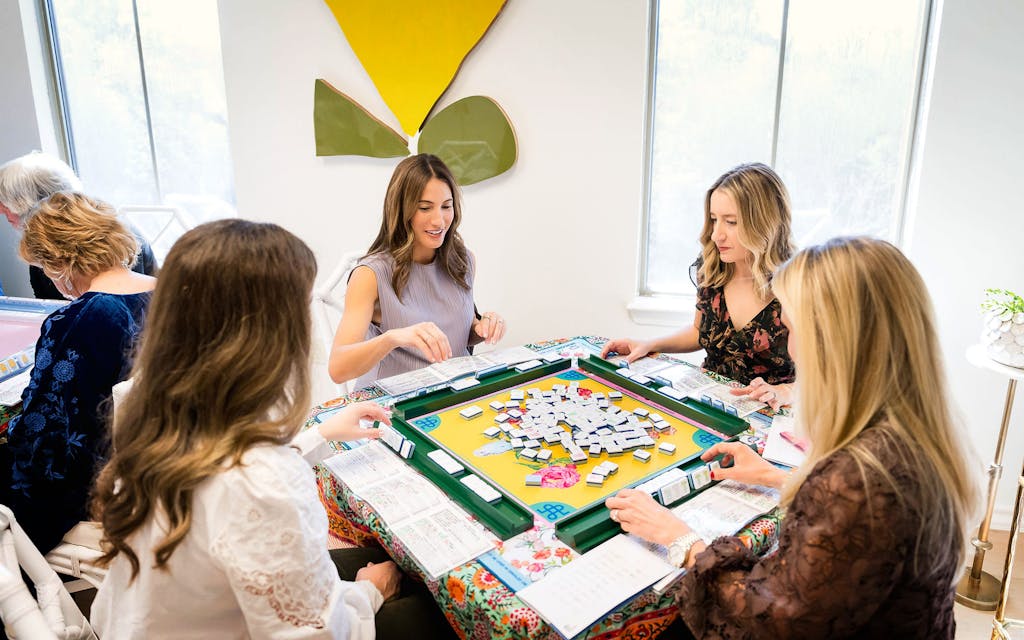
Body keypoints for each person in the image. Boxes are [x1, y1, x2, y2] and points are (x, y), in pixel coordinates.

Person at [91, 219, 455, 639]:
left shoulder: (157, 416)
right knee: (430, 610)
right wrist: (369, 594)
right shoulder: (266, 483)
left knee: (371, 561)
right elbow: (319, 635)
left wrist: (320, 435)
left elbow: (227, 476)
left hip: (145, 622)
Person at [606, 237, 979, 639]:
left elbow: (770, 618)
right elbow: (859, 534)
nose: (792, 348)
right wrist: (779, 478)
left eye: (793, 328)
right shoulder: (909, 433)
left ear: (834, 343)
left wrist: (679, 538)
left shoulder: (861, 478)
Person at [0, 192, 155, 554]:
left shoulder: (83, 318)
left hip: (97, 480)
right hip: (154, 454)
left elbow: (48, 440)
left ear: (59, 262)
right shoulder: (165, 293)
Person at [601, 163, 795, 408]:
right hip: (711, 405)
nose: (716, 235)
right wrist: (650, 343)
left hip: (770, 416)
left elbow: (825, 379)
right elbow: (700, 331)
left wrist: (785, 391)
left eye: (731, 222)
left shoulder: (796, 286)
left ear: (765, 223)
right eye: (714, 220)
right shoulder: (713, 268)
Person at [329, 154, 506, 389]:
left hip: (452, 395)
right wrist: (393, 338)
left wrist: (482, 327)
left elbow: (459, 332)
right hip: (390, 407)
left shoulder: (463, 261)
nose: (439, 221)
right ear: (402, 210)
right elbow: (338, 368)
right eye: (425, 208)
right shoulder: (370, 274)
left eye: (446, 206)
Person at [0, 151, 158, 299]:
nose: (1, 210)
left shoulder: (111, 238)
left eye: (5, 201)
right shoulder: (42, 248)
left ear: (31, 200)